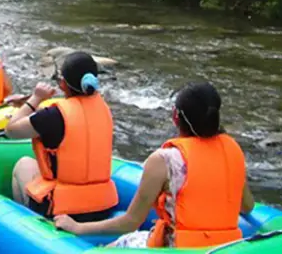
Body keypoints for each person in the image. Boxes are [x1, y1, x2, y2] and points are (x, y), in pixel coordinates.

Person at [54, 82, 255, 248]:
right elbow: (247, 206)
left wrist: (77, 227)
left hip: (177, 249)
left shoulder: (164, 160)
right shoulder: (233, 150)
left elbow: (131, 222)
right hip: (227, 248)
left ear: (176, 117)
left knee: (113, 246)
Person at [4, 51, 118, 222]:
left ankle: (31, 227)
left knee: (24, 165)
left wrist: (35, 98)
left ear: (63, 84)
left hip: (64, 210)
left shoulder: (53, 115)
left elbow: (11, 130)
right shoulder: (104, 109)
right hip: (103, 207)